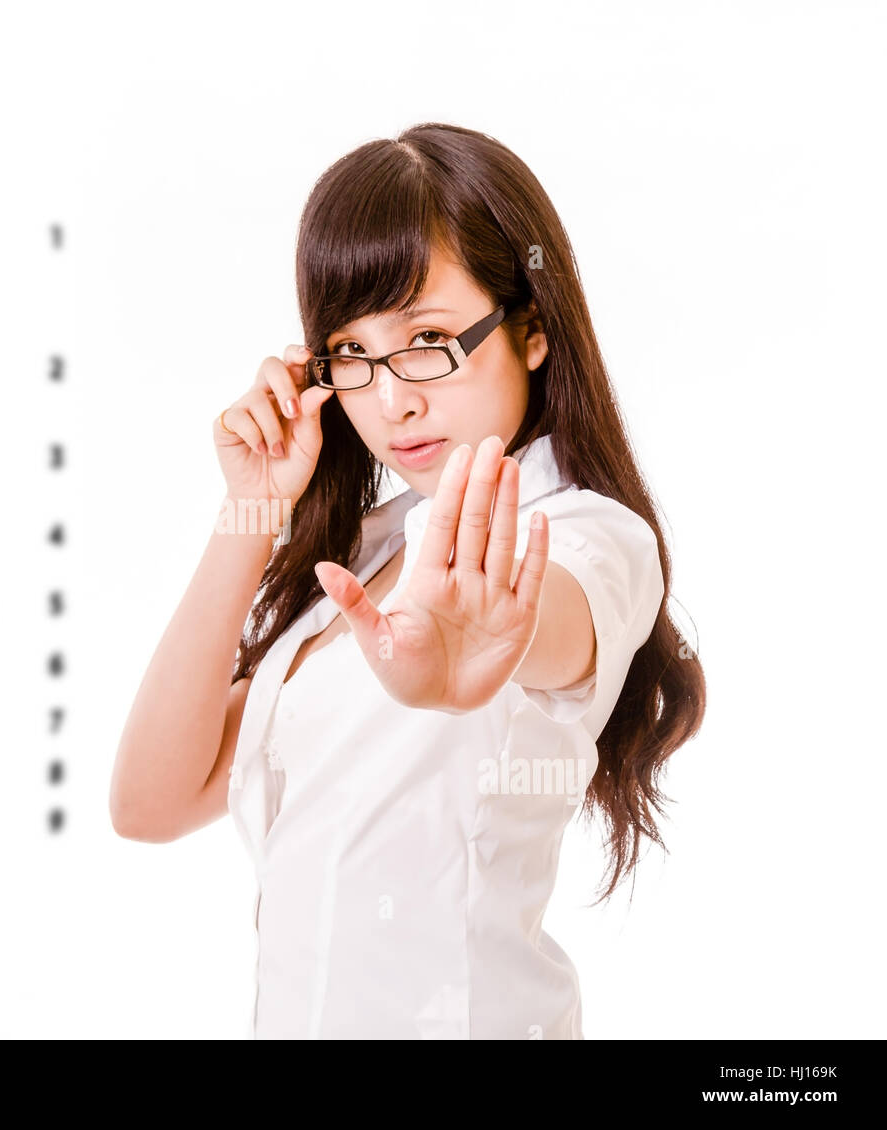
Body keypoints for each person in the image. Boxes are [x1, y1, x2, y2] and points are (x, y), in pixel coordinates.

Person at [110, 122, 706, 1039]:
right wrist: (253, 512)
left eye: (428, 338)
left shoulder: (588, 535)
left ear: (532, 332)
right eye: (351, 353)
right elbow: (149, 802)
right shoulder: (364, 555)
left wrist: (481, 648)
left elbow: (546, 620)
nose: (392, 399)